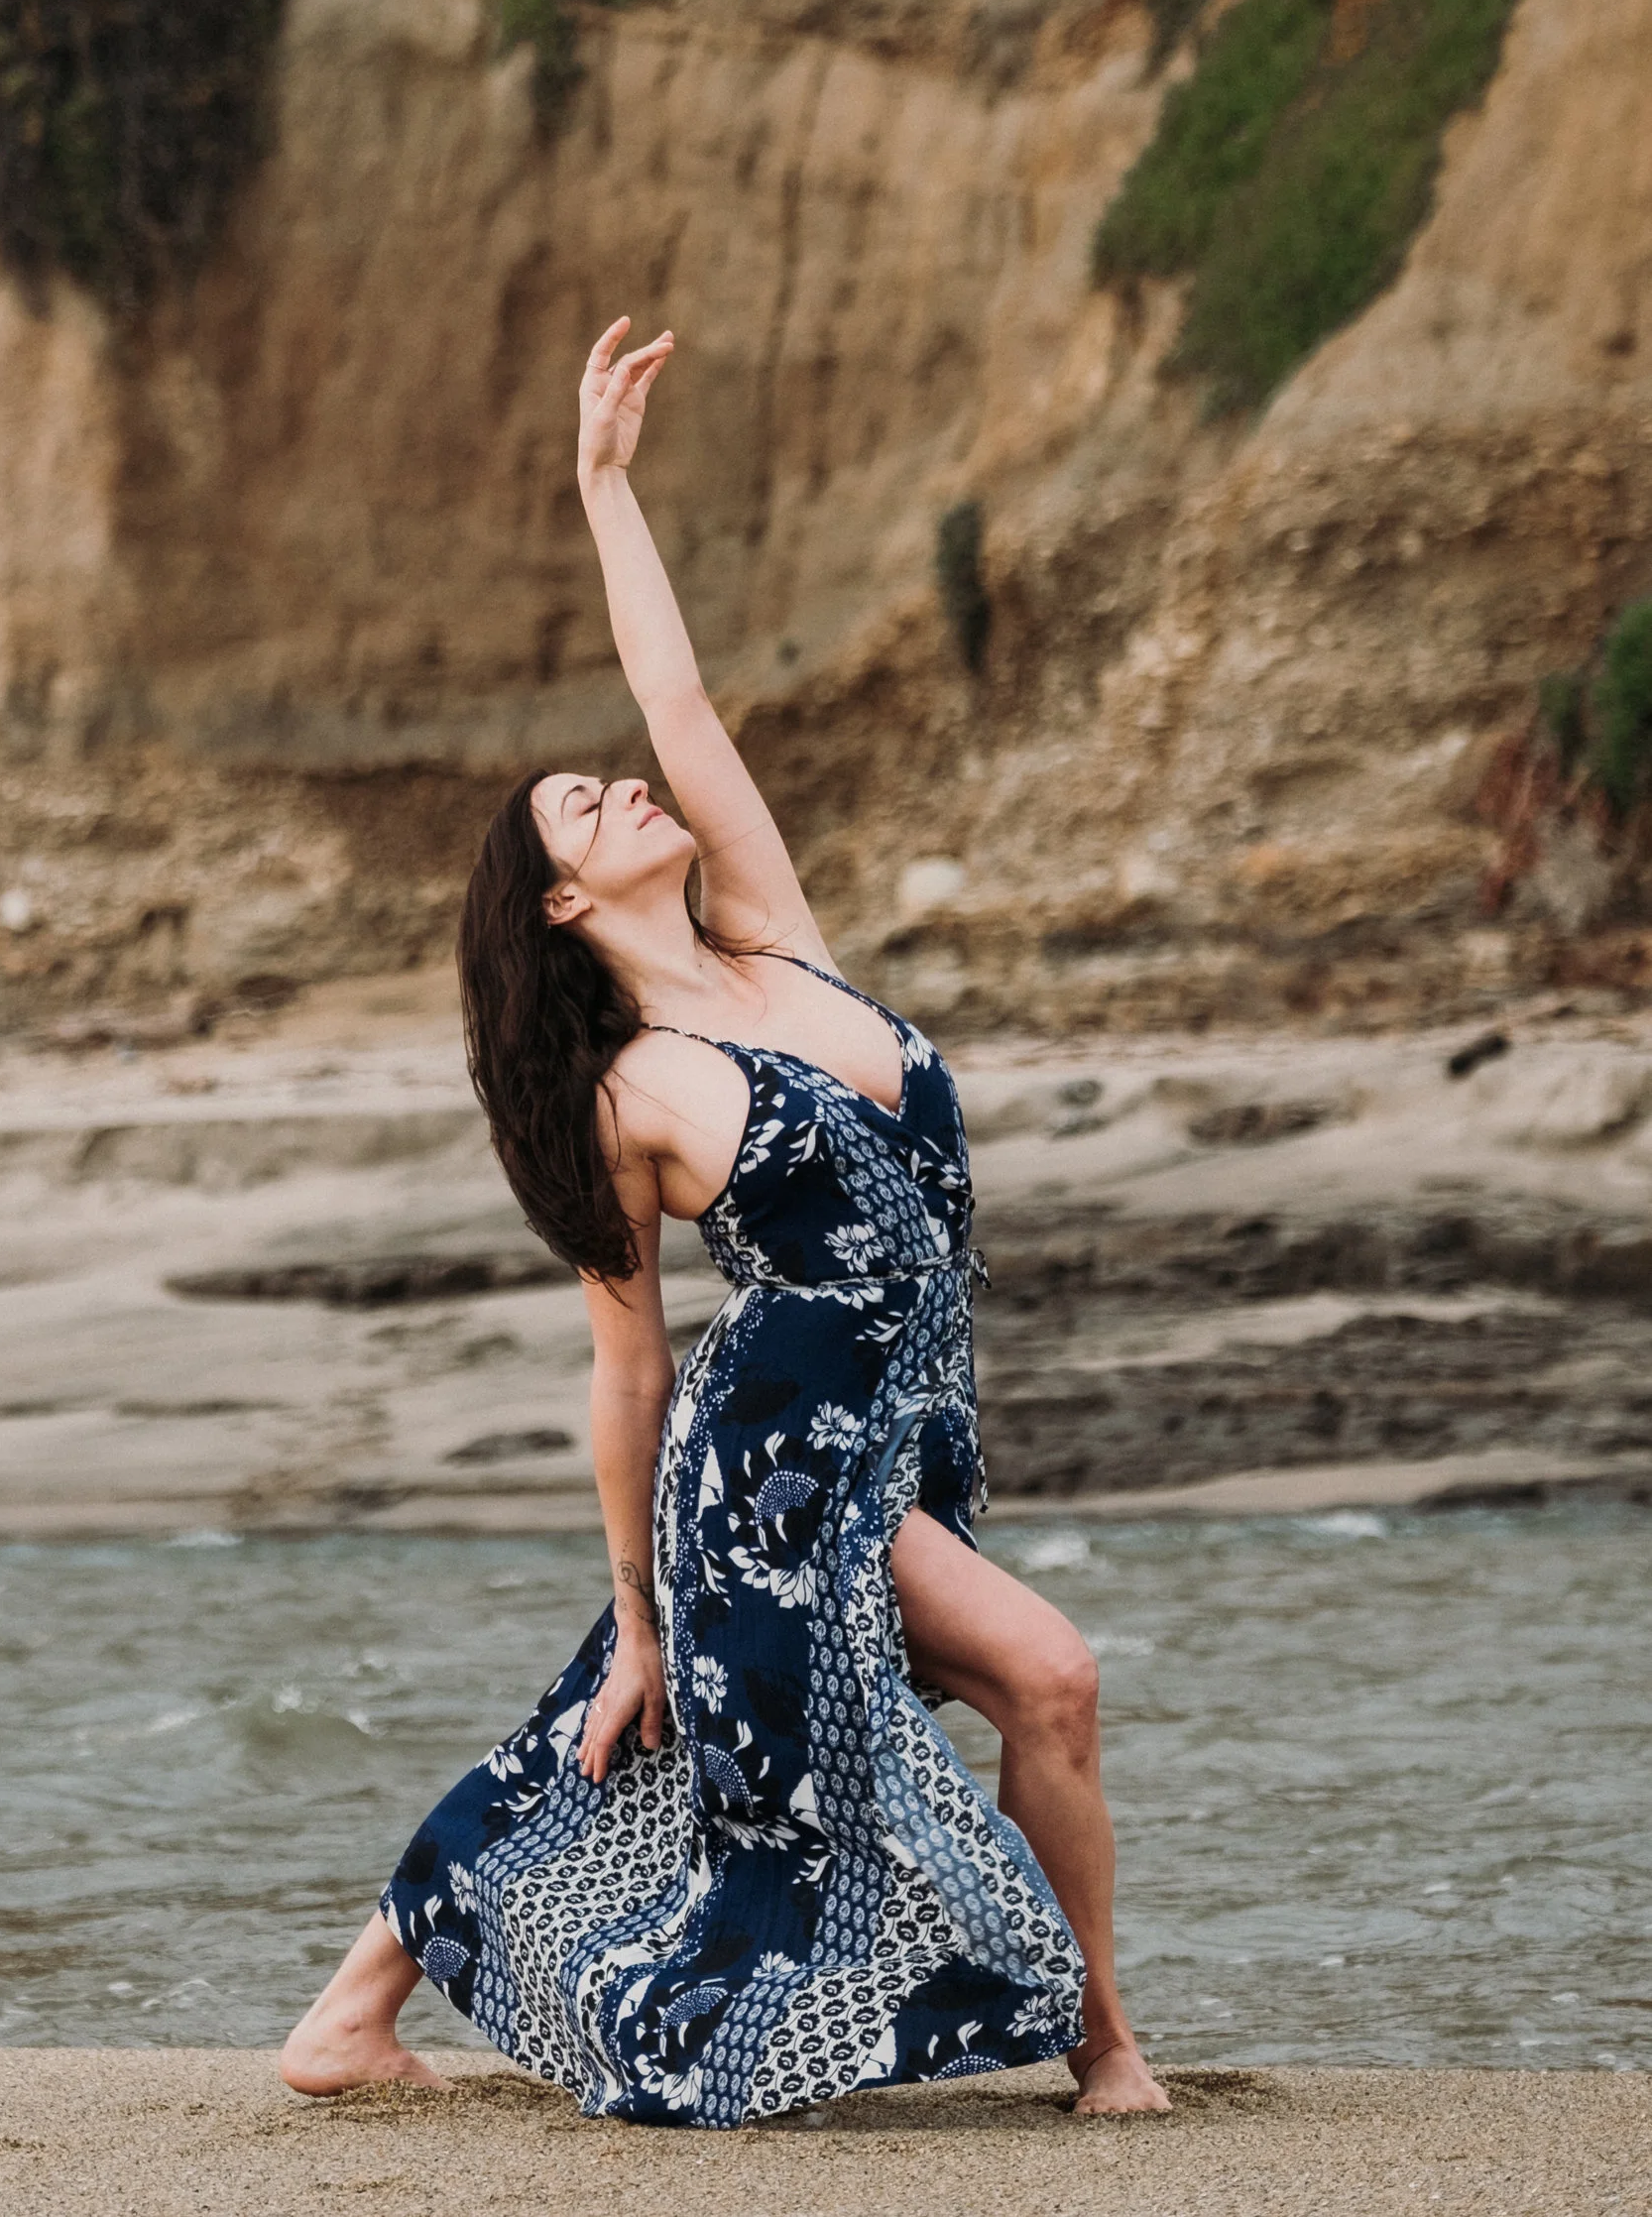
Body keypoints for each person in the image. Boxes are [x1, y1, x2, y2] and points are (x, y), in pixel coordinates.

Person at [280, 317, 1171, 2129]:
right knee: (1043, 1676)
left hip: (904, 1428)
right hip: (771, 1456)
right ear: (553, 900)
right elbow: (627, 1374)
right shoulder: (628, 1097)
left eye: (608, 776)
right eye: (581, 805)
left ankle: (350, 2006)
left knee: (636, 1744)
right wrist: (637, 1605)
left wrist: (609, 490)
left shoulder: (775, 941)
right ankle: (1106, 2050)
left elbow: (683, 706)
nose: (624, 784)